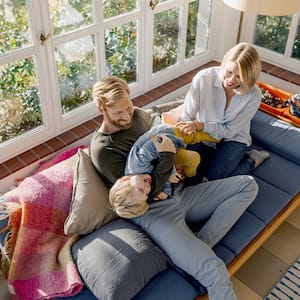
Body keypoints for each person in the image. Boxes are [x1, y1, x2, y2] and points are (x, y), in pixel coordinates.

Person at [90, 75, 259, 300]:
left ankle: (202, 243)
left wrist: (175, 163)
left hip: (178, 193)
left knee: (248, 185)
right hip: (154, 213)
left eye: (128, 108)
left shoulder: (137, 116)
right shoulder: (103, 150)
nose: (127, 116)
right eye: (118, 113)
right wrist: (168, 160)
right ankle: (195, 253)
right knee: (213, 270)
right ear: (102, 109)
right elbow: (137, 191)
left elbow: (163, 146)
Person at [176, 42, 270, 185]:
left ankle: (251, 160)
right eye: (230, 71)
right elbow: (187, 115)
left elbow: (230, 130)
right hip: (202, 135)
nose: (231, 80)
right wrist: (181, 145)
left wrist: (201, 125)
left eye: (239, 77)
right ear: (224, 63)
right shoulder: (203, 78)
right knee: (191, 179)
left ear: (249, 77)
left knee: (214, 178)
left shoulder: (254, 95)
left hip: (233, 137)